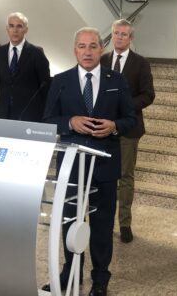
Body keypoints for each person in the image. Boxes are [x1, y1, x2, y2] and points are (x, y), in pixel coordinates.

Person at [43, 27, 136, 296]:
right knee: (70, 221)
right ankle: (70, 271)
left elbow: (131, 120)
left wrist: (114, 126)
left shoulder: (116, 80)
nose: (87, 52)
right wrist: (70, 122)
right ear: (75, 50)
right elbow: (47, 120)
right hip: (71, 167)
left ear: (101, 50)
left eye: (93, 46)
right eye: (82, 46)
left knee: (102, 224)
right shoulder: (60, 81)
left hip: (104, 166)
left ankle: (100, 277)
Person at [100, 19, 155, 243]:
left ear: (130, 38)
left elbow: (148, 94)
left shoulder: (140, 63)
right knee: (103, 177)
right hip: (102, 128)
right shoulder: (102, 60)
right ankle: (103, 221)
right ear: (112, 35)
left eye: (124, 34)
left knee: (125, 177)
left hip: (128, 128)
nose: (119, 37)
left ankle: (124, 224)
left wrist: (125, 106)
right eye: (116, 33)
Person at [0, 12, 50, 122]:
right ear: (7, 29)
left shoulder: (36, 53)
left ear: (26, 30)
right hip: (3, 113)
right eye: (11, 26)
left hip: (29, 116)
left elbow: (45, 86)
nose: (15, 30)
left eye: (19, 26)